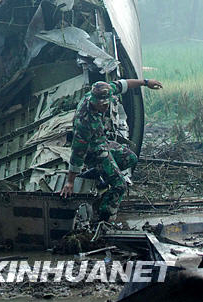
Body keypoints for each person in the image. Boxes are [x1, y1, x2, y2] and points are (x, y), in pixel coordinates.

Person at [61, 78, 163, 221]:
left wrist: (146, 82)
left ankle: (97, 175)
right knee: (120, 185)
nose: (105, 107)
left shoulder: (104, 90)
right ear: (94, 101)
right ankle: (105, 218)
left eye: (107, 103)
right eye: (102, 105)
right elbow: (78, 153)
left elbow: (124, 84)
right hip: (93, 150)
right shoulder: (84, 122)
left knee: (131, 158)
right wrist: (70, 182)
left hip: (102, 142)